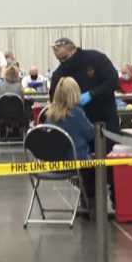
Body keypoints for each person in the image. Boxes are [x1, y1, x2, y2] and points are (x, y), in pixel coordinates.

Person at [49, 37, 120, 136]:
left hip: (105, 118)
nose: (63, 62)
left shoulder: (96, 59)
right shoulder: (59, 73)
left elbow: (113, 82)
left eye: (65, 57)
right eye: (59, 60)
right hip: (77, 124)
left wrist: (92, 94)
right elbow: (54, 99)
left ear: (73, 50)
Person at [45, 76, 96, 204]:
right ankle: (89, 201)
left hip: (53, 164)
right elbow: (91, 134)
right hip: (74, 163)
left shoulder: (49, 114)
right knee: (98, 164)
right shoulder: (77, 113)